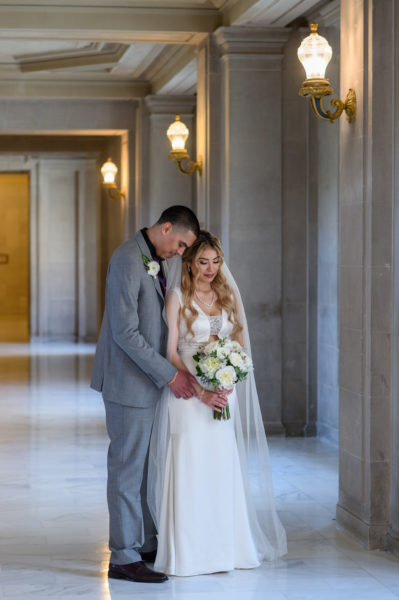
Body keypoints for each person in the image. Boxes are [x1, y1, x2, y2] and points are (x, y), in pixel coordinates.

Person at [148, 230, 287, 577]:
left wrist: (230, 375)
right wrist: (200, 390)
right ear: (190, 263)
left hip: (224, 393)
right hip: (189, 397)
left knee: (222, 466)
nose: (210, 269)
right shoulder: (177, 296)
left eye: (215, 262)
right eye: (202, 262)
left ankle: (229, 548)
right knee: (191, 466)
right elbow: (171, 353)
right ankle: (190, 555)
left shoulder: (227, 296)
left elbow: (239, 342)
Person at [90, 206, 202, 584]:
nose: (180, 252)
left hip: (149, 381)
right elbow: (125, 333)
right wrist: (170, 375)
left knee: (145, 467)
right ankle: (122, 556)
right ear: (166, 227)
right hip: (127, 383)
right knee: (126, 468)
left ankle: (144, 542)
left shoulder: (160, 260)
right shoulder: (126, 258)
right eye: (181, 243)